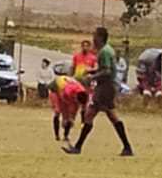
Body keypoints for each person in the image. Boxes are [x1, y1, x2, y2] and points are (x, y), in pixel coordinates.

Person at [64, 25, 133, 156]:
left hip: (105, 87)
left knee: (96, 115)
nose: (93, 38)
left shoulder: (104, 52)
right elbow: (106, 69)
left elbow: (107, 71)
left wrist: (92, 77)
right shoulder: (107, 50)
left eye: (95, 36)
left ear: (100, 38)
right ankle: (126, 147)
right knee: (101, 115)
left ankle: (78, 147)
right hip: (107, 86)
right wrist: (93, 71)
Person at [49, 72, 88, 143]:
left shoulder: (83, 95)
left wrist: (72, 118)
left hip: (67, 91)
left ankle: (66, 136)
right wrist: (65, 117)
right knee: (58, 111)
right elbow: (64, 105)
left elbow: (79, 109)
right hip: (56, 89)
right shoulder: (68, 91)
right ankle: (57, 136)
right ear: (76, 97)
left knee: (70, 118)